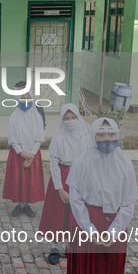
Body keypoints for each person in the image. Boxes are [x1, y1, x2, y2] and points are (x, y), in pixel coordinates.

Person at [64, 117, 138, 274]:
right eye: (101, 135)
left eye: (110, 135)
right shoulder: (82, 163)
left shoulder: (126, 164)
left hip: (116, 222)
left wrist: (114, 231)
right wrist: (91, 231)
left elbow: (128, 202)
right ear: (93, 137)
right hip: (88, 221)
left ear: (117, 136)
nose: (106, 139)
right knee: (85, 270)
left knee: (112, 272)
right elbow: (76, 201)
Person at [38, 103, 90, 265]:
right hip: (62, 177)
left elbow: (89, 162)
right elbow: (54, 165)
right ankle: (54, 246)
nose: (70, 121)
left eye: (73, 117)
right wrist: (59, 189)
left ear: (78, 117)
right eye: (66, 118)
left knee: (75, 214)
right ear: (62, 120)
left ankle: (69, 245)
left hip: (79, 178)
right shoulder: (58, 139)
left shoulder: (85, 137)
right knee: (58, 213)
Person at [2, 81, 46, 218]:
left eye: (28, 98)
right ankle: (18, 204)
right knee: (18, 179)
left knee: (30, 179)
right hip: (18, 154)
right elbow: (12, 137)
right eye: (22, 98)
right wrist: (22, 153)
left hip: (33, 153)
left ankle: (27, 205)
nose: (25, 100)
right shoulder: (14, 116)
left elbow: (40, 136)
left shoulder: (37, 116)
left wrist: (31, 155)